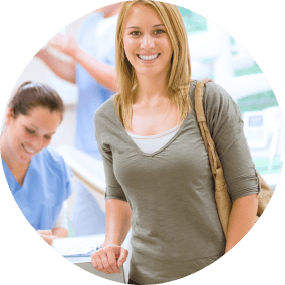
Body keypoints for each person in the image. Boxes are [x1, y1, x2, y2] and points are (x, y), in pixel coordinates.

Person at [91, 1, 260, 284]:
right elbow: (117, 195)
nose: (146, 43)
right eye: (135, 33)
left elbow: (245, 191)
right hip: (142, 276)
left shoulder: (210, 100)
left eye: (159, 31)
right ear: (122, 40)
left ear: (176, 36)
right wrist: (111, 242)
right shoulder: (106, 117)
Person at [34, 3, 122, 236]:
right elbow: (79, 74)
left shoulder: (135, 22)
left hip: (121, 149)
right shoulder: (89, 24)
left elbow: (122, 82)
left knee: (124, 234)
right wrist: (43, 53)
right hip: (87, 146)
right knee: (86, 232)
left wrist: (75, 51)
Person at [0, 81, 73, 246]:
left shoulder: (54, 164)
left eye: (47, 136)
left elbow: (60, 224)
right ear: (10, 115)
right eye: (30, 131)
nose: (37, 144)